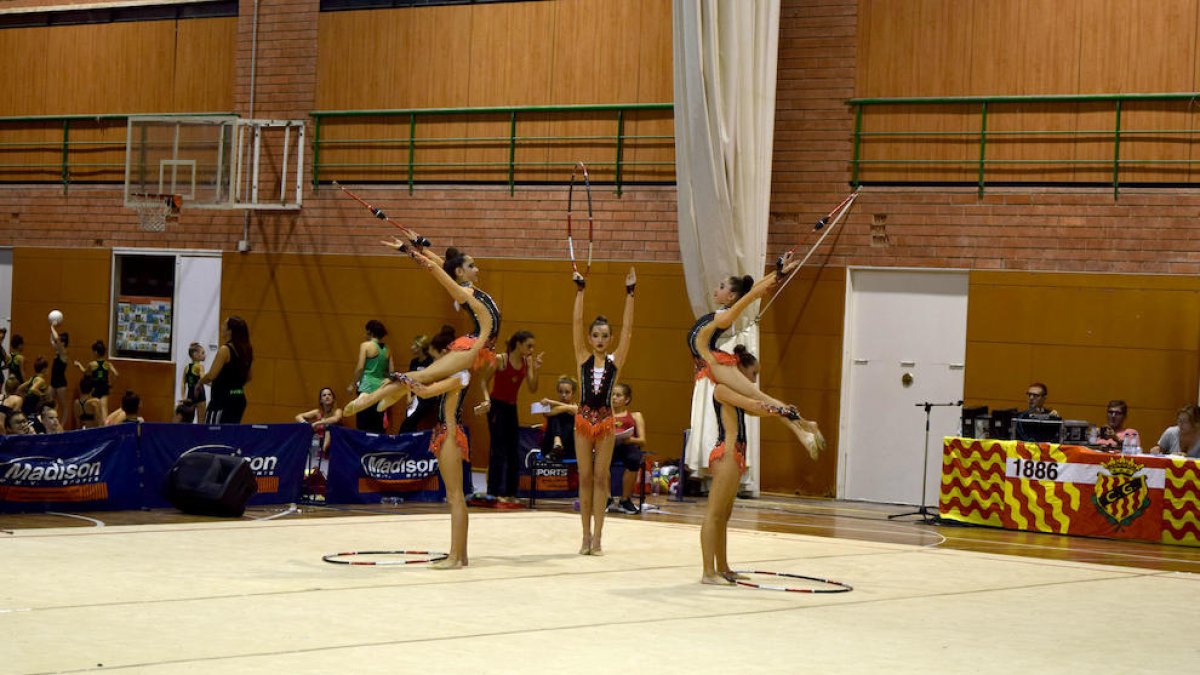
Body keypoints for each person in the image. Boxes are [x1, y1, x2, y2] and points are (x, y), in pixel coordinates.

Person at [344, 243, 501, 416]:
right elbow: (434, 267)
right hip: (473, 346)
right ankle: (370, 397)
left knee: (427, 376)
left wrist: (421, 246)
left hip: (478, 345)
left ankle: (393, 393)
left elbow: (443, 267)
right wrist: (406, 249)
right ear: (460, 272)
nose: (477, 269)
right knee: (425, 376)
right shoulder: (464, 293)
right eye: (471, 266)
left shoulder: (471, 289)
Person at [687, 256, 823, 457]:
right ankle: (806, 426)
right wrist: (776, 274)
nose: (717, 289)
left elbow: (751, 295)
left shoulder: (724, 316)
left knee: (759, 399)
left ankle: (804, 429)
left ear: (731, 297)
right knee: (754, 405)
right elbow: (753, 291)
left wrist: (777, 276)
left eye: (722, 286)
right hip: (710, 365)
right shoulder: (719, 313)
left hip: (715, 364)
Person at [410, 306, 494, 569]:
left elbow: (425, 392)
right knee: (455, 496)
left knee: (455, 496)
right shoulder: (456, 374)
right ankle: (461, 554)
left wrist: (404, 379)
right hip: (446, 432)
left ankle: (455, 557)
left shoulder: (460, 375)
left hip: (449, 433)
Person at [571, 266, 636, 556]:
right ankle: (584, 536)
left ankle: (598, 538)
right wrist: (580, 292)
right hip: (583, 422)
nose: (599, 339)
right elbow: (575, 322)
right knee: (584, 477)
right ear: (589, 337)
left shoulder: (615, 361)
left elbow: (629, 329)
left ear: (610, 339)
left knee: (601, 478)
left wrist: (630, 294)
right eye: (595, 334)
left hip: (607, 424)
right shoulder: (582, 357)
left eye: (605, 335)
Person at [700, 345, 777, 585]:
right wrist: (780, 408)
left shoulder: (736, 394)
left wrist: (783, 412)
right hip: (727, 453)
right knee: (714, 514)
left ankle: (723, 567)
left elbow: (757, 411)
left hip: (737, 455)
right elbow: (755, 406)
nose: (754, 381)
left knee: (724, 515)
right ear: (739, 371)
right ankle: (707, 572)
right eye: (753, 374)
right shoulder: (723, 390)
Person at [478, 330, 542, 503]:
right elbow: (484, 381)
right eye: (529, 346)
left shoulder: (526, 363)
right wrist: (486, 400)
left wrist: (535, 369)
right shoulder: (500, 359)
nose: (531, 349)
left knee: (513, 451)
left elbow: (533, 387)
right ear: (518, 344)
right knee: (498, 450)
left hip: (511, 408)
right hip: (496, 407)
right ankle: (493, 491)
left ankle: (511, 493)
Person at [195, 316, 253, 424]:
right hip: (239, 399)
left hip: (222, 401)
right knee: (229, 436)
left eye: (224, 325)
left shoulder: (225, 350)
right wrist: (229, 385)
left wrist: (199, 382)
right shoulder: (247, 350)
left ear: (230, 331)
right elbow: (249, 377)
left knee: (213, 434)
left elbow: (211, 375)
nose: (221, 327)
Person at [608, 382, 647, 515]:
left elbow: (642, 440)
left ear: (627, 399)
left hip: (627, 445)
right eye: (612, 395)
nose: (614, 398)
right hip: (609, 446)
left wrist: (628, 439)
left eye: (618, 395)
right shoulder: (604, 415)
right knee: (598, 458)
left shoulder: (636, 416)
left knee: (634, 458)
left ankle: (625, 500)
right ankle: (607, 498)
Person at [348, 320, 393, 433]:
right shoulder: (387, 349)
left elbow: (360, 367)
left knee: (363, 424)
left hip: (366, 388)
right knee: (378, 425)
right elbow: (392, 372)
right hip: (381, 390)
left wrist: (352, 385)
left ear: (370, 332)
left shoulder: (365, 345)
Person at [399, 333, 438, 433]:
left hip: (426, 397)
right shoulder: (414, 362)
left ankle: (401, 443)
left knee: (408, 424)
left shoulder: (430, 362)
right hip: (413, 397)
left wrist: (416, 395)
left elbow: (431, 381)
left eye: (415, 346)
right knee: (409, 422)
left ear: (421, 347)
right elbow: (408, 380)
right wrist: (408, 396)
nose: (411, 347)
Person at [75, 340, 117, 422]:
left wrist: (78, 365)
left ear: (96, 352)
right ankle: (105, 426)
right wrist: (112, 384)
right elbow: (116, 374)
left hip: (95, 388)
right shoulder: (107, 364)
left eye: (93, 352)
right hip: (104, 387)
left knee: (95, 410)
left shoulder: (92, 364)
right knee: (104, 408)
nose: (92, 353)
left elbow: (85, 372)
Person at [539, 375, 579, 460]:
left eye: (567, 392)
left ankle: (558, 444)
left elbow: (575, 410)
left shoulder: (577, 407)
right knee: (554, 416)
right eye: (560, 392)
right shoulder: (554, 409)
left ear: (573, 393)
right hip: (550, 447)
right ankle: (557, 443)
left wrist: (551, 402)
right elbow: (546, 413)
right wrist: (567, 407)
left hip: (569, 447)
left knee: (564, 416)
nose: (563, 395)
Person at [296, 387, 344, 456]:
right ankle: (313, 453)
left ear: (333, 399)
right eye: (324, 395)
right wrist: (307, 425)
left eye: (329, 395)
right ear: (321, 400)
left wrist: (317, 423)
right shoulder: (317, 412)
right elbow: (298, 416)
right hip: (316, 442)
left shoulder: (338, 411)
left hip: (334, 445)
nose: (327, 397)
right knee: (308, 432)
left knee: (328, 428)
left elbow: (335, 419)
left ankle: (322, 451)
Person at [179, 342, 206, 423]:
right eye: (203, 353)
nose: (205, 355)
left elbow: (183, 383)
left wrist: (183, 397)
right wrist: (213, 384)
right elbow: (203, 378)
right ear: (195, 355)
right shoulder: (200, 367)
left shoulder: (186, 368)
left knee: (188, 421)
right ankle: (199, 435)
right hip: (200, 396)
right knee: (201, 422)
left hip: (190, 396)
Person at [49, 327, 70, 419]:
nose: (57, 343)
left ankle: (62, 424)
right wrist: (51, 330)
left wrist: (52, 326)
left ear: (63, 343)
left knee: (63, 404)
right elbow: (52, 340)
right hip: (53, 381)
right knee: (49, 402)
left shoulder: (63, 353)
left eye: (59, 341)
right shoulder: (58, 351)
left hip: (61, 383)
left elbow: (56, 338)